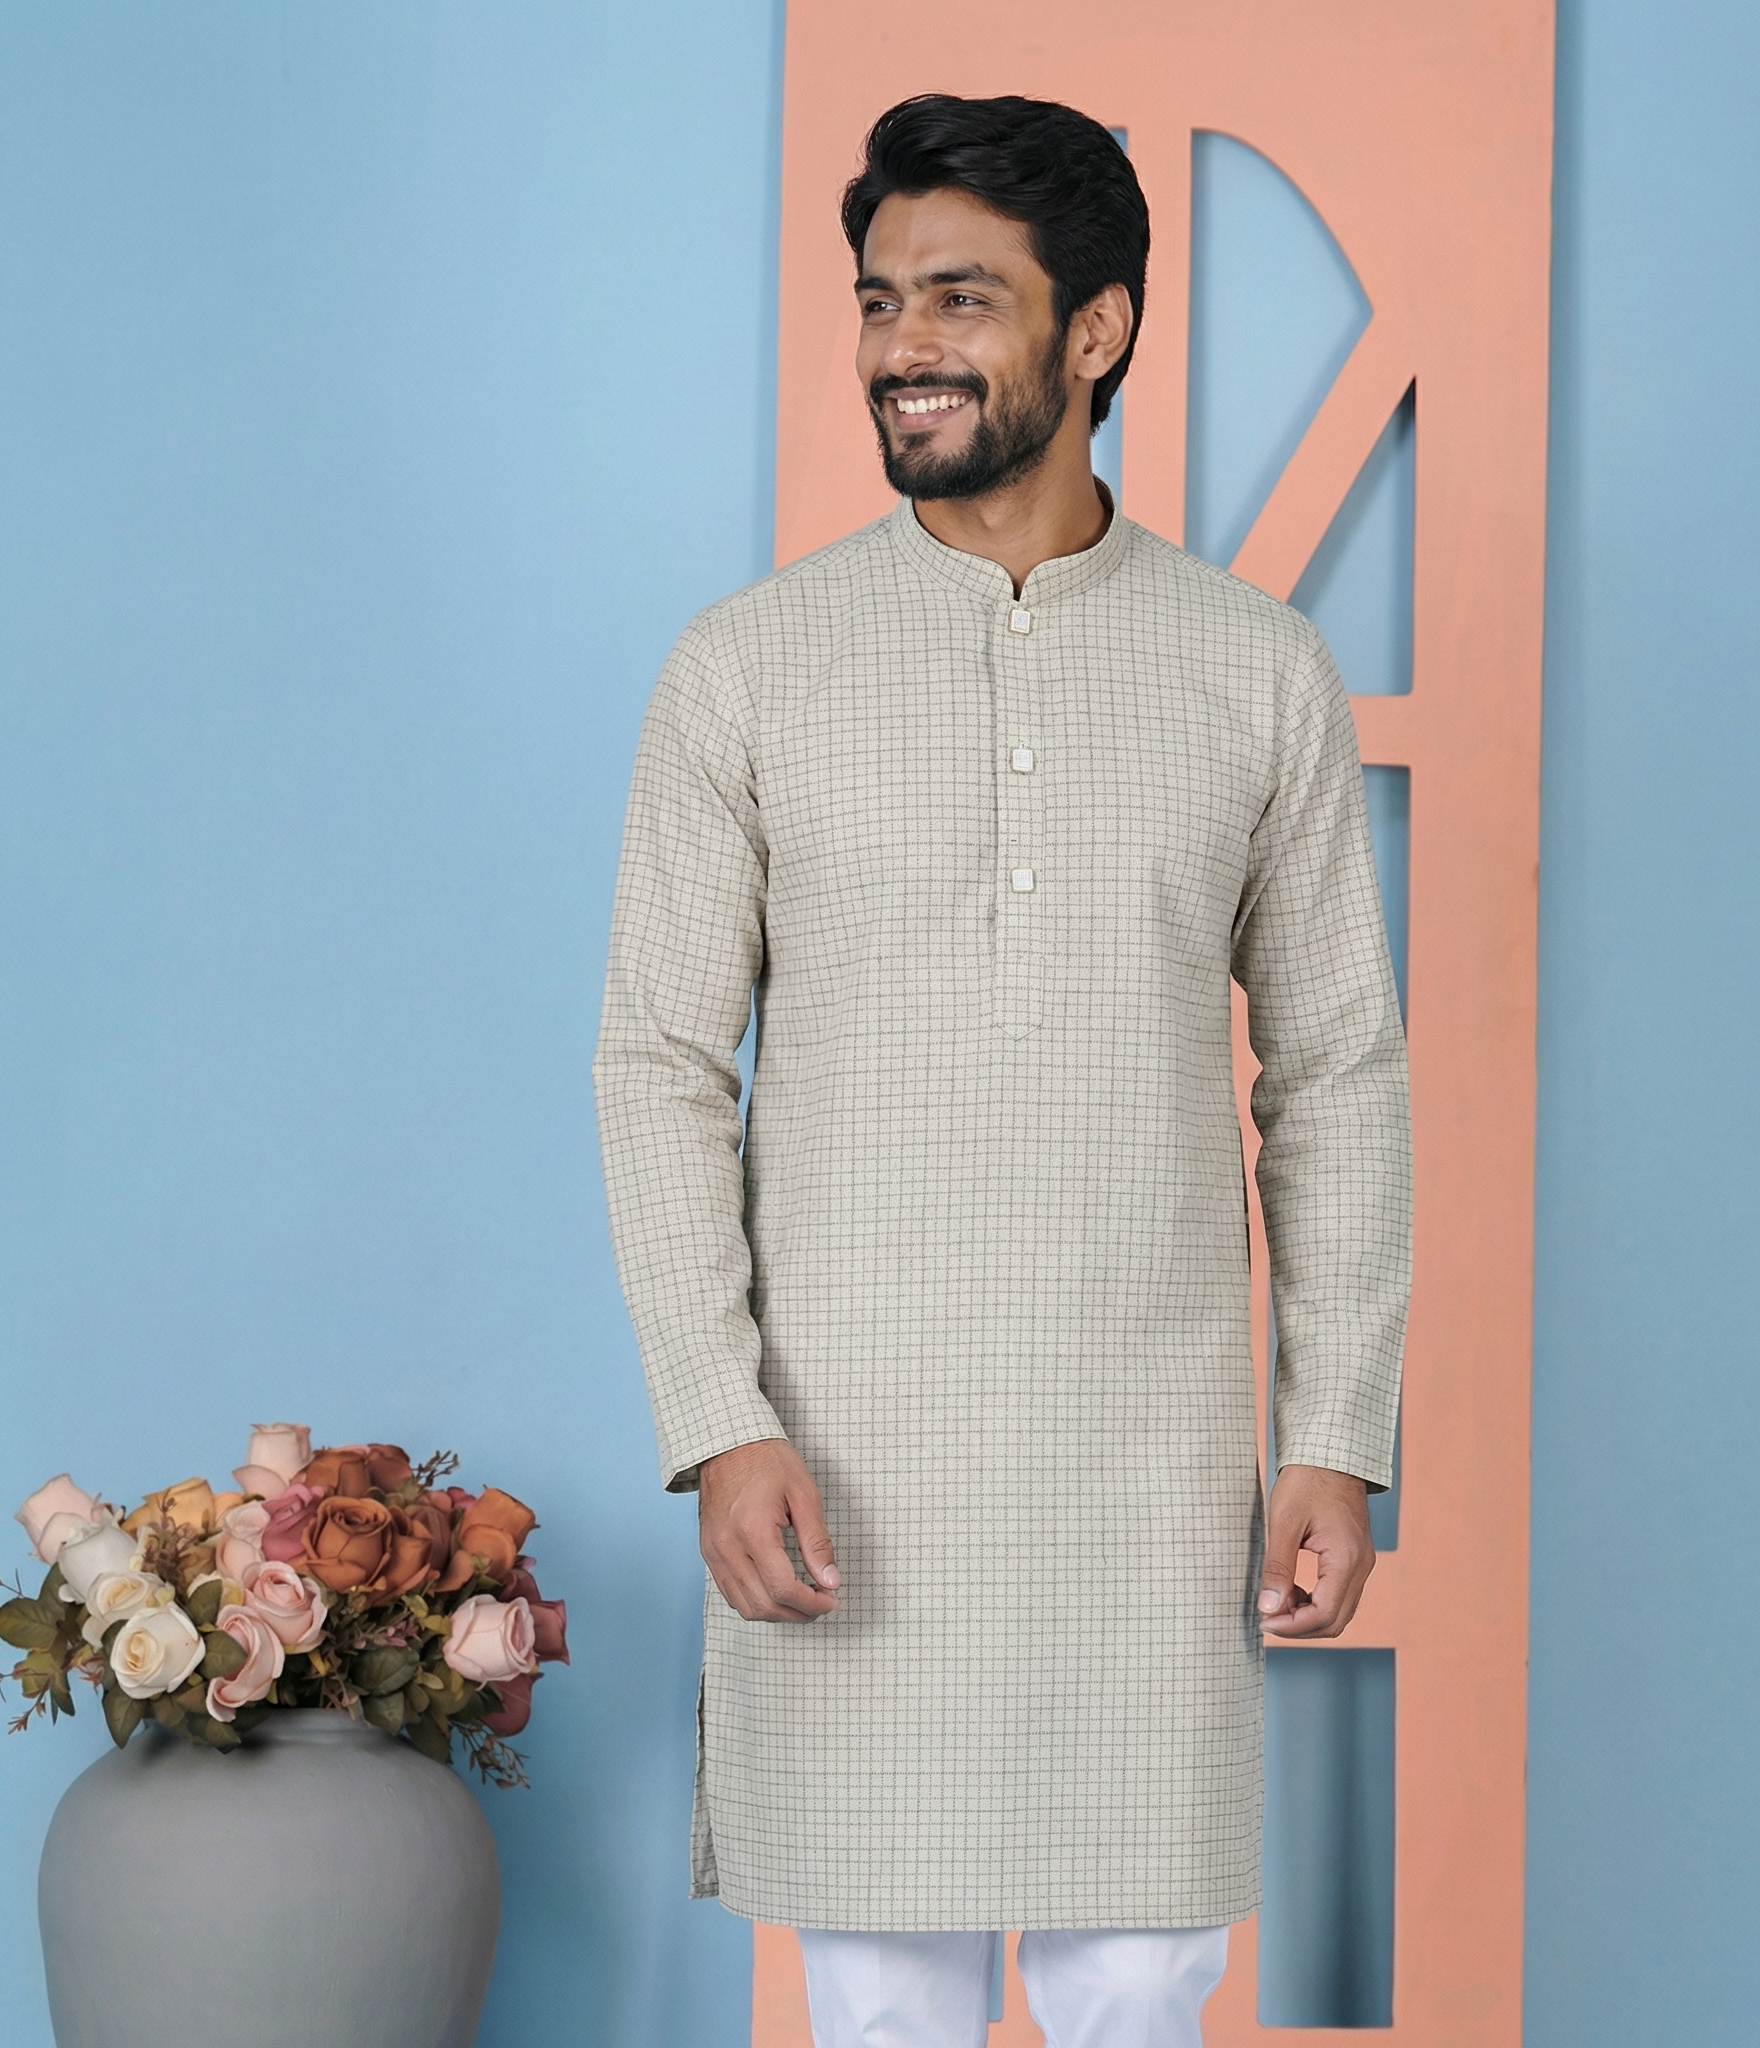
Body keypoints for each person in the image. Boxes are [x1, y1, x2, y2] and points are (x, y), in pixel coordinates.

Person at [593, 91, 1411, 2048]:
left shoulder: (1252, 667)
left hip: (1145, 1471)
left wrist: (1333, 1432)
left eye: (960, 298)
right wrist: (717, 1418)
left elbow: (1336, 1073)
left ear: (1096, 329)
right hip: (842, 1463)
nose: (903, 345)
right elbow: (656, 1060)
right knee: (880, 1998)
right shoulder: (747, 664)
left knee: (1138, 1985)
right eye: (881, 300)